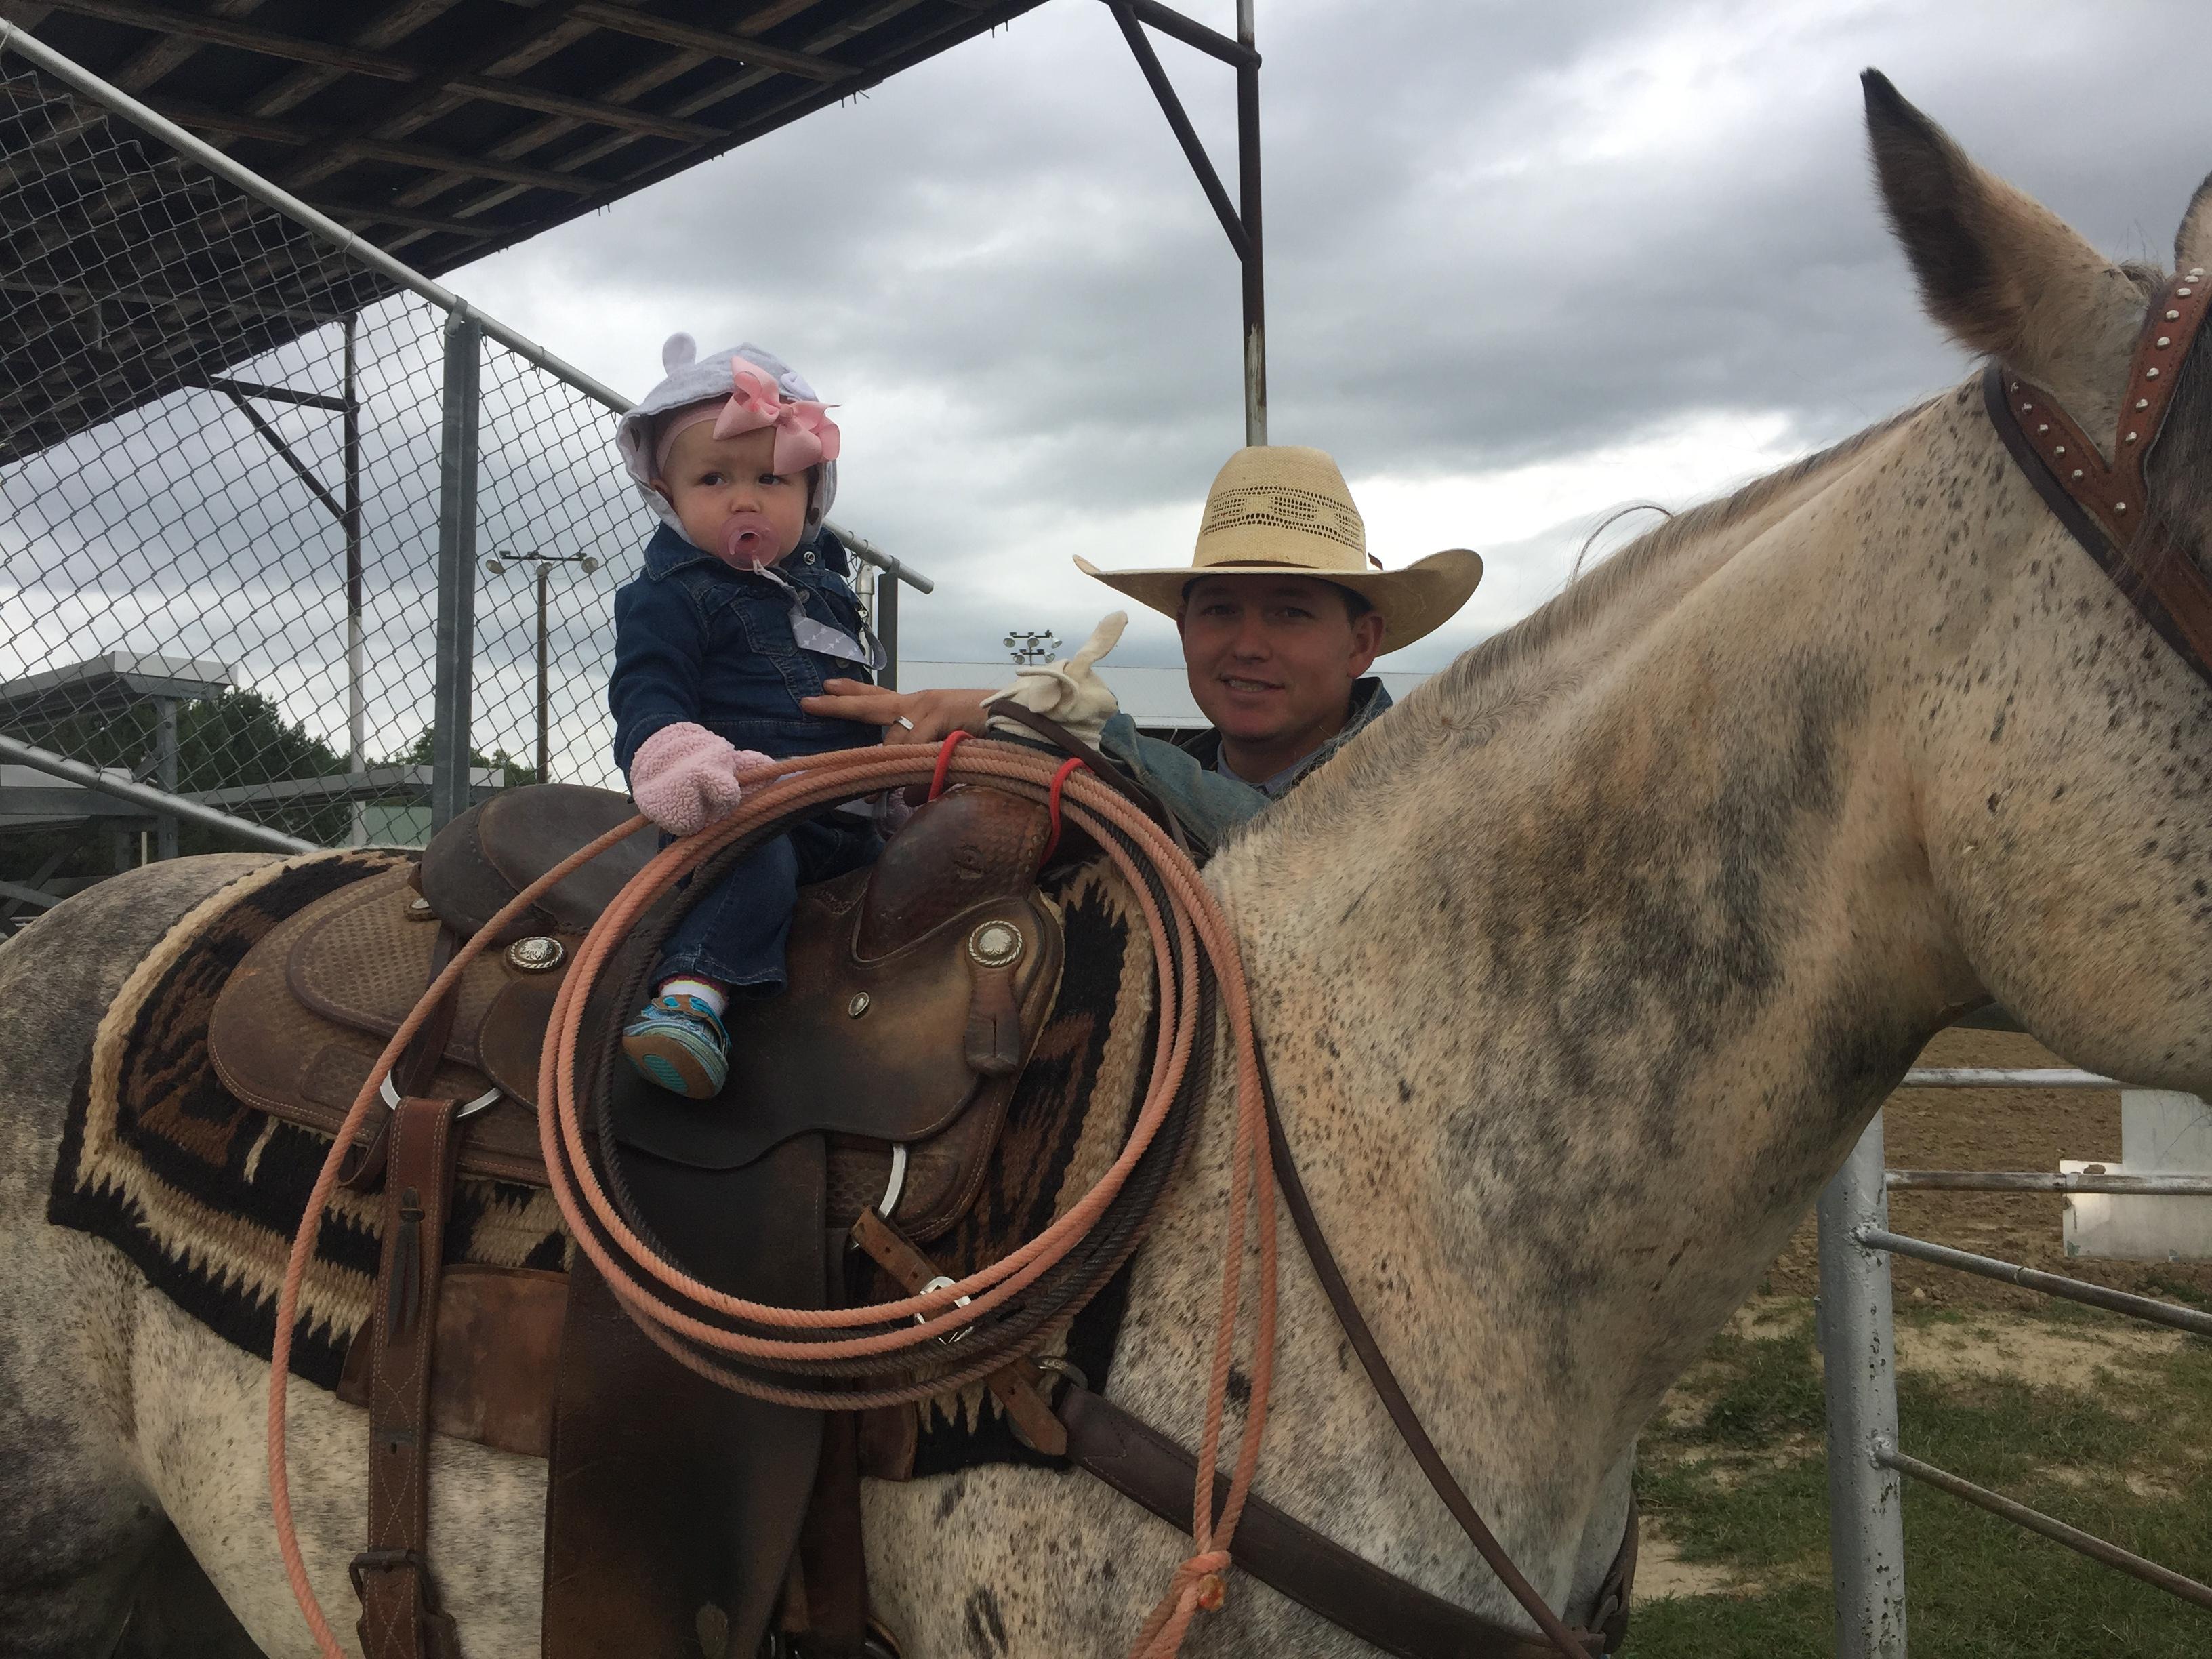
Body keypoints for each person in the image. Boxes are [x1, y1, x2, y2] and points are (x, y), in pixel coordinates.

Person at [803, 445, 1482, 851]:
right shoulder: (1165, 778)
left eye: (1290, 614)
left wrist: (1021, 717)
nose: (1248, 645)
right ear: (1184, 628)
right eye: (1220, 611)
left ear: (1361, 643)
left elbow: (1288, 846)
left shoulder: (1432, 801)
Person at [607, 334, 885, 1098]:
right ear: (666, 494)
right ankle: (694, 998)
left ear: (813, 494)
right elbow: (645, 689)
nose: (744, 498)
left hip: (849, 811)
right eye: (713, 478)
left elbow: (850, 703)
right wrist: (678, 754)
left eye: (772, 478)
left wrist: (896, 766)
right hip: (745, 802)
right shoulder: (671, 594)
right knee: (751, 864)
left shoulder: (829, 590)